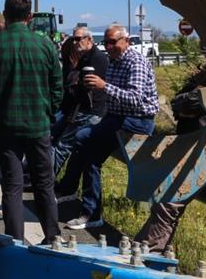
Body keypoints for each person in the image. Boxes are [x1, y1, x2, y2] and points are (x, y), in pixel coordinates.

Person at [0, 0, 63, 244]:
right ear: (30, 16)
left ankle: (14, 240)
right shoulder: (45, 45)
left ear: (5, 14)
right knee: (44, 184)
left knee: (12, 187)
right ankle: (52, 237)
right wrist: (48, 112)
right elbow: (57, 88)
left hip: (6, 128)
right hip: (38, 126)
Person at [55, 24, 159, 230]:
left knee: (84, 137)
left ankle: (79, 199)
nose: (109, 46)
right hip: (117, 117)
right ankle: (88, 209)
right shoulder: (114, 61)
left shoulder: (134, 62)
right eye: (107, 42)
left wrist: (104, 86)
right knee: (89, 152)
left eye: (113, 42)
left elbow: (136, 100)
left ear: (126, 41)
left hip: (137, 120)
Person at [134, 80, 206, 252]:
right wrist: (189, 102)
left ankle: (148, 251)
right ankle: (149, 250)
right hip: (191, 150)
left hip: (204, 154)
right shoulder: (205, 82)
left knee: (168, 204)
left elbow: (190, 101)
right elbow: (178, 104)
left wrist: (192, 101)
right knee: (166, 205)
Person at [51, 27, 109, 203]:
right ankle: (63, 186)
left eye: (78, 39)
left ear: (89, 40)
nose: (75, 43)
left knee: (63, 146)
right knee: (71, 149)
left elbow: (85, 88)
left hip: (90, 111)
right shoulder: (83, 58)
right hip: (81, 109)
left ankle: (44, 182)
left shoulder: (96, 59)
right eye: (73, 39)